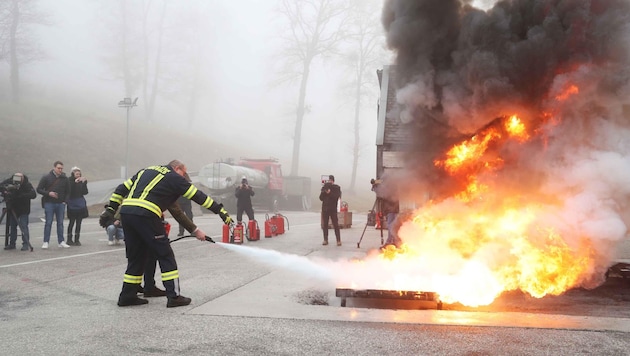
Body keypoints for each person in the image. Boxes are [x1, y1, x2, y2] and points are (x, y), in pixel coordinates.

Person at [99, 159, 233, 308]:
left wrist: (111, 209)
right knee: (165, 255)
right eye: (183, 173)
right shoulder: (174, 178)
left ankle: (127, 296)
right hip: (147, 215)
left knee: (136, 257)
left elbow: (120, 189)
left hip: (127, 213)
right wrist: (220, 210)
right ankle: (174, 296)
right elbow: (199, 196)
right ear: (176, 168)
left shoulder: (146, 170)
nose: (184, 177)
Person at [142, 202, 199, 298]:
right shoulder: (167, 188)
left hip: (131, 217)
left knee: (145, 254)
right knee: (165, 255)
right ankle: (174, 296)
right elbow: (177, 212)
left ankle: (135, 289)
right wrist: (195, 230)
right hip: (149, 218)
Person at [37, 160, 71, 249]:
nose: (60, 170)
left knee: (60, 223)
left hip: (61, 204)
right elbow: (39, 189)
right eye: (59, 168)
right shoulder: (46, 177)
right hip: (49, 203)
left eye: (61, 168)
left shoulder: (65, 178)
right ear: (54, 168)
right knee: (48, 222)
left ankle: (61, 241)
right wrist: (48, 193)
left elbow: (68, 191)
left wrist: (65, 201)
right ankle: (45, 241)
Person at [1, 173, 37, 251]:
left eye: (20, 178)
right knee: (12, 226)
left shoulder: (27, 184)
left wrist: (21, 195)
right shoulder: (9, 181)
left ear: (23, 178)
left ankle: (25, 244)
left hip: (23, 209)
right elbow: (1, 186)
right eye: (16, 177)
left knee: (23, 226)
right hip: (13, 207)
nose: (17, 179)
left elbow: (33, 195)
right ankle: (12, 244)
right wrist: (5, 191)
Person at [66, 166, 88, 246]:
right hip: (72, 204)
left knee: (79, 223)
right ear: (73, 174)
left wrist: (84, 183)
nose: (78, 175)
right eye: (76, 174)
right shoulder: (69, 181)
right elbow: (69, 191)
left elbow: (85, 192)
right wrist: (75, 182)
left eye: (79, 174)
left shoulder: (81, 182)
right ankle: (69, 239)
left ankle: (77, 239)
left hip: (80, 204)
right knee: (71, 222)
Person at [319, 174, 342, 246]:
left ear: (333, 181)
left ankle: (338, 240)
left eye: (331, 180)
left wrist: (330, 193)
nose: (330, 182)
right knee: (325, 225)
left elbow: (337, 197)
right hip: (325, 209)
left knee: (335, 225)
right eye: (329, 180)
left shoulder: (336, 188)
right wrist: (324, 192)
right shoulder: (324, 188)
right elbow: (320, 198)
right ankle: (325, 239)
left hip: (333, 209)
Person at [176, 173, 194, 237]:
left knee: (189, 217)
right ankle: (181, 231)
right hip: (181, 202)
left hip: (186, 202)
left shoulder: (188, 184)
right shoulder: (177, 184)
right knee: (182, 217)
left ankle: (191, 231)